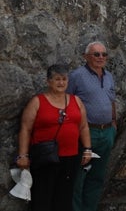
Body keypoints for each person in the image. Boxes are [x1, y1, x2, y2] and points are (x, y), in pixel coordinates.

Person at [17, 64, 92, 211]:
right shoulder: (37, 102)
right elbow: (25, 129)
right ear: (48, 81)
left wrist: (88, 149)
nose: (61, 83)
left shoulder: (76, 101)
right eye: (57, 79)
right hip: (45, 158)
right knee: (42, 197)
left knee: (64, 197)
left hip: (70, 157)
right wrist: (23, 155)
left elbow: (83, 127)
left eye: (64, 79)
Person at [68, 42, 117, 211]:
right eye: (96, 54)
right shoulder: (77, 76)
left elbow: (112, 101)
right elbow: (68, 102)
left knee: (97, 176)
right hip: (86, 132)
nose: (101, 57)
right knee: (79, 177)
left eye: (104, 54)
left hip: (107, 132)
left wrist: (114, 124)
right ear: (86, 56)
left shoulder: (109, 76)